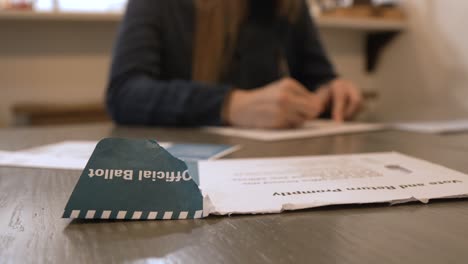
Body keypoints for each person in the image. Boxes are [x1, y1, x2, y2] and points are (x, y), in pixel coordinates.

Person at [106, 0, 362, 129]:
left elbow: (317, 77)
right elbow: (124, 93)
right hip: (180, 169)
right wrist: (229, 104)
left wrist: (331, 91)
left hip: (276, 168)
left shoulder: (289, 5)